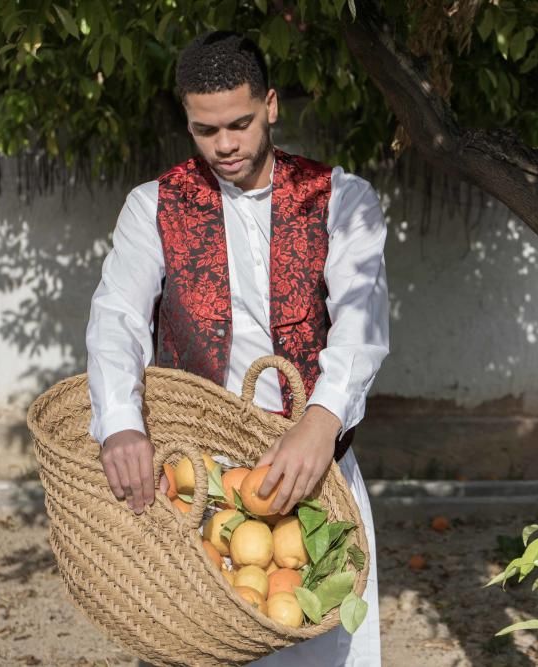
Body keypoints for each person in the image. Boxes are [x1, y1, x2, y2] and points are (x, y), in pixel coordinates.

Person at [85, 31, 389, 666]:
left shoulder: (343, 200)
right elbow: (116, 319)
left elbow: (362, 324)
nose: (224, 145)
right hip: (196, 474)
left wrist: (321, 421)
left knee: (323, 645)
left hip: (314, 462)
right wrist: (119, 424)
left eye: (241, 124)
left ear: (272, 105)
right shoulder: (151, 208)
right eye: (205, 130)